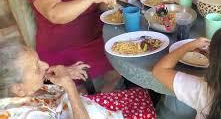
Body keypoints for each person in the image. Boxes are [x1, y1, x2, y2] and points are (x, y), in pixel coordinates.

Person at [29, 0, 120, 92]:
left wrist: (111, 3)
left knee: (118, 70)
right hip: (59, 48)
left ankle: (103, 105)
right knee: (74, 93)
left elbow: (101, 3)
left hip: (94, 41)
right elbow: (55, 14)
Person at [0, 41, 157, 119]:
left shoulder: (22, 90)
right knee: (149, 105)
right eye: (36, 68)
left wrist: (59, 73)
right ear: (19, 89)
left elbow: (39, 89)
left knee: (142, 94)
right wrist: (69, 85)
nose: (46, 65)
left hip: (90, 106)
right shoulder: (29, 116)